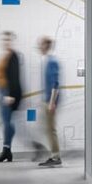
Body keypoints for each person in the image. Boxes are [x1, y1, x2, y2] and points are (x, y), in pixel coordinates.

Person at [0, 32, 22, 163]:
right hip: (2, 91)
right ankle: (7, 151)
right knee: (7, 123)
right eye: (4, 39)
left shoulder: (13, 56)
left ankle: (6, 151)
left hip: (7, 92)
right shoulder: (5, 56)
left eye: (8, 40)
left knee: (7, 123)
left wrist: (10, 95)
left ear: (12, 41)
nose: (6, 42)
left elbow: (14, 76)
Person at [36, 37, 61, 167]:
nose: (39, 47)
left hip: (51, 101)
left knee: (51, 129)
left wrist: (51, 102)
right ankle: (54, 155)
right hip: (48, 100)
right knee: (49, 129)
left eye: (41, 44)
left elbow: (55, 84)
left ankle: (56, 156)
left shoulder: (52, 62)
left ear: (47, 46)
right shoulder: (47, 61)